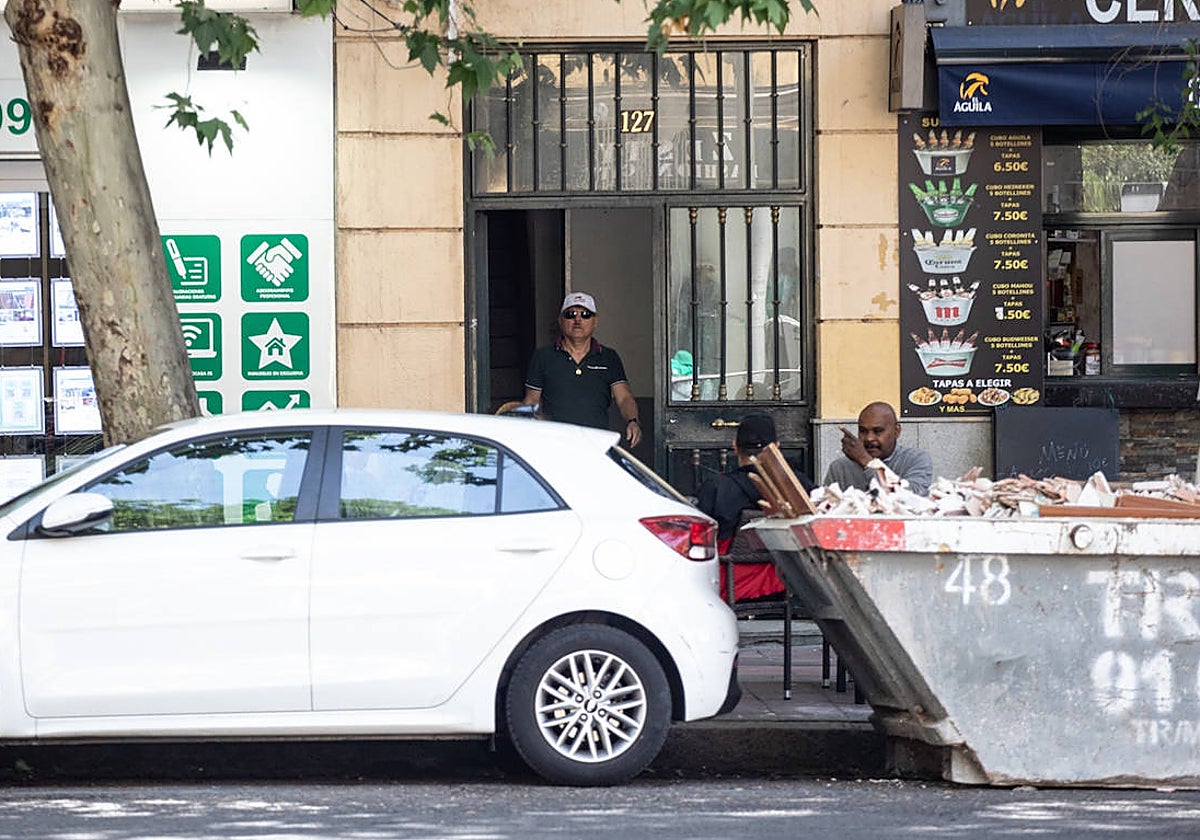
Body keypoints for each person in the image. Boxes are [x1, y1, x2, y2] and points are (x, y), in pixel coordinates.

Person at [695, 412, 815, 602]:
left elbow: (700, 538)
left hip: (729, 586)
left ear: (735, 447)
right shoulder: (799, 487)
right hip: (782, 585)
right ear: (776, 447)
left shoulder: (716, 487)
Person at [506, 292, 642, 447]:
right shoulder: (543, 356)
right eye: (570, 314)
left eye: (585, 314)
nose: (578, 320)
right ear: (560, 321)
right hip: (555, 443)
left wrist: (633, 421)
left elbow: (624, 397)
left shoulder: (609, 357)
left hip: (596, 442)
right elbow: (532, 401)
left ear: (595, 321)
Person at [823, 401, 933, 496]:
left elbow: (911, 497)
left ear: (897, 431)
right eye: (863, 431)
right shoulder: (840, 467)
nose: (869, 438)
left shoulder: (916, 459)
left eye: (878, 431)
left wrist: (866, 461)